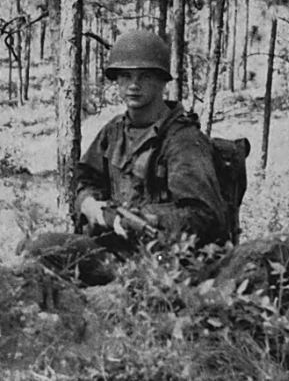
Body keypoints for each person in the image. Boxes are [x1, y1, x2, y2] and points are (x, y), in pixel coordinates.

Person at [75, 30, 228, 247]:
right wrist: (90, 205)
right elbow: (86, 179)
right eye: (126, 76)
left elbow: (203, 215)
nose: (134, 85)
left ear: (161, 81)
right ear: (116, 80)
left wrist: (144, 218)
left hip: (166, 257)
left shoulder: (183, 140)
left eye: (145, 76)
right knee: (40, 247)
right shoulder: (113, 131)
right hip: (112, 247)